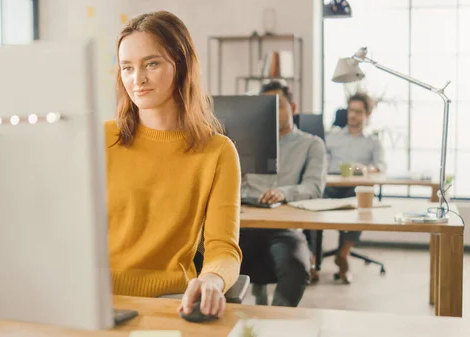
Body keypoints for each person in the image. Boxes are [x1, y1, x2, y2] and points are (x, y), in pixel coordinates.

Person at [106, 11, 242, 318]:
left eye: (151, 63)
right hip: (98, 301)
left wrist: (212, 278)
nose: (137, 79)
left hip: (172, 301)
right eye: (127, 67)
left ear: (181, 66)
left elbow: (224, 248)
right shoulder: (101, 139)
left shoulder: (218, 152)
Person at [239, 80, 327, 306]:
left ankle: (275, 323)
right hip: (244, 222)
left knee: (296, 269)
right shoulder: (244, 142)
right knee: (206, 258)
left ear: (293, 108)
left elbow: (314, 187)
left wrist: (283, 193)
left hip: (283, 226)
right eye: (266, 107)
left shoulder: (311, 144)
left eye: (278, 105)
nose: (271, 113)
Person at [324, 92, 386, 283]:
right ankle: (311, 261)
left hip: (356, 188)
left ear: (367, 114)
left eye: (358, 112)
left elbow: (381, 166)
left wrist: (367, 168)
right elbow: (320, 164)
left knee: (361, 204)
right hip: (331, 187)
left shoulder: (373, 141)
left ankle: (343, 254)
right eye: (351, 110)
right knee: (311, 200)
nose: (353, 115)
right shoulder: (331, 137)